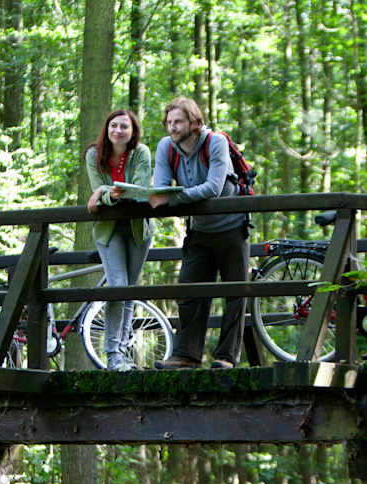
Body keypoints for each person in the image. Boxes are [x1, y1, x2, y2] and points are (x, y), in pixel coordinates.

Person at [148, 97, 250, 369]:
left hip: (232, 227)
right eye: (169, 122)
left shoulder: (214, 142)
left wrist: (173, 198)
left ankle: (227, 357)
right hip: (199, 230)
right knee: (190, 291)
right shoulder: (166, 148)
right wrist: (163, 197)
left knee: (235, 294)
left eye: (178, 121)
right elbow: (159, 189)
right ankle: (186, 356)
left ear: (194, 122)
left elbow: (213, 188)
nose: (172, 127)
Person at [84, 110, 156, 371]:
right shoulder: (94, 155)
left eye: (124, 126)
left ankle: (123, 351)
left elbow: (139, 190)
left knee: (130, 291)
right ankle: (113, 352)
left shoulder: (142, 153)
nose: (118, 130)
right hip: (108, 229)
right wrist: (106, 194)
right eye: (113, 125)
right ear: (107, 129)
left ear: (132, 131)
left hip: (138, 229)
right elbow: (97, 187)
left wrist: (104, 193)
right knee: (117, 286)